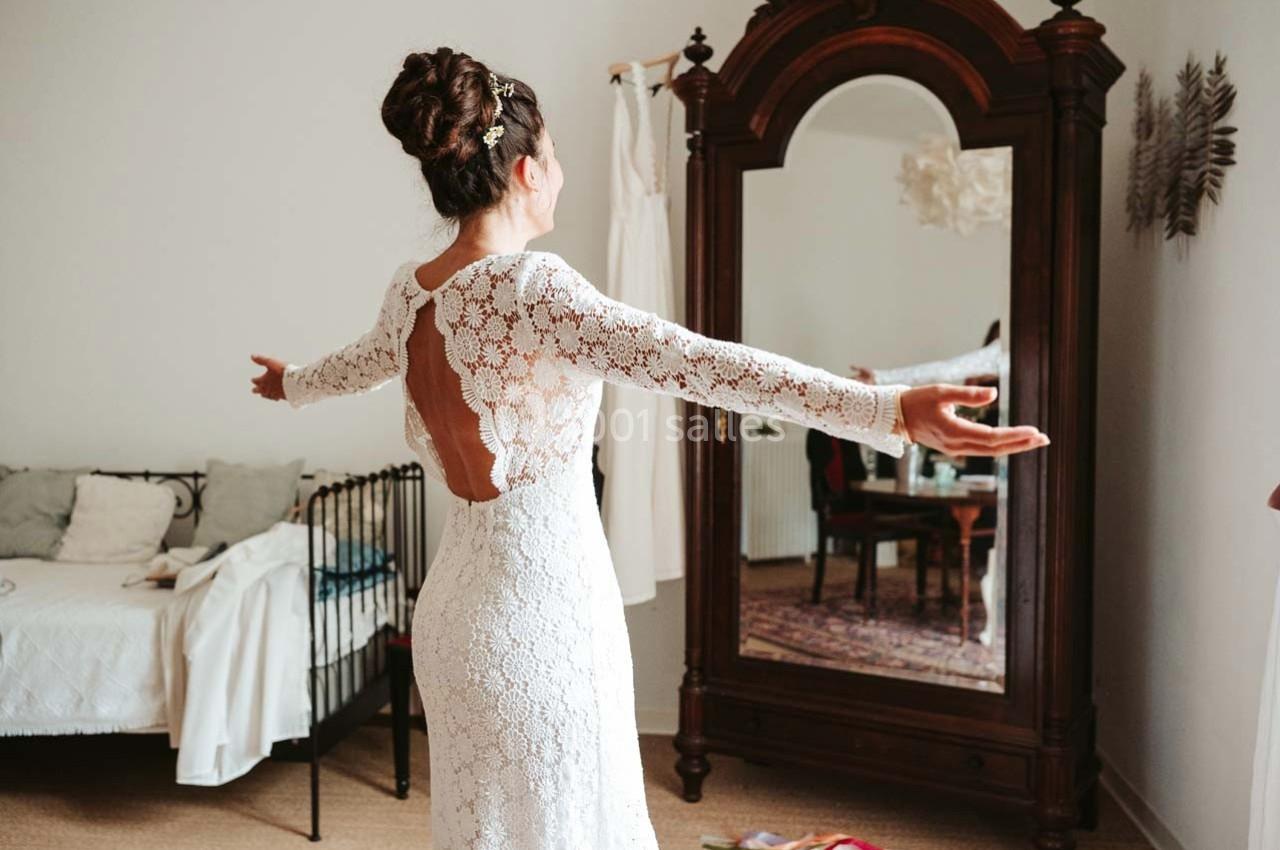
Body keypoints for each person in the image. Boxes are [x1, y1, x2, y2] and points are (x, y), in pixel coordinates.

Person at [247, 47, 1050, 848]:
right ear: (525, 170)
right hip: (544, 619)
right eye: (554, 156)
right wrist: (888, 411)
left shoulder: (409, 291)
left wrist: (289, 386)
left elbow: (350, 367)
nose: (559, 173)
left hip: (454, 619)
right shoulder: (535, 291)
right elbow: (707, 365)